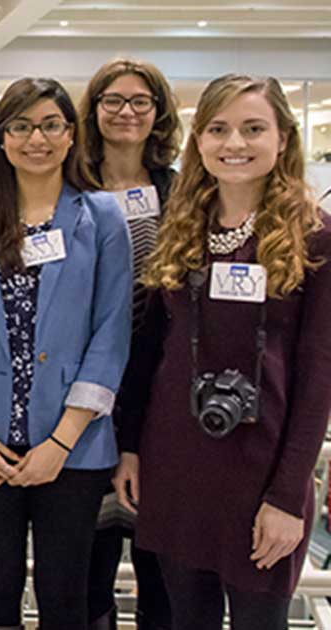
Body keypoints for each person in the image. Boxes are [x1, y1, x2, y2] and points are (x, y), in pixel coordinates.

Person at [125, 74, 331, 629]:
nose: (233, 143)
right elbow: (152, 351)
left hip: (262, 470)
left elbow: (318, 377)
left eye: (252, 128)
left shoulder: (314, 236)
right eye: (217, 129)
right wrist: (130, 448)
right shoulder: (182, 225)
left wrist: (289, 496)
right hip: (177, 465)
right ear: (199, 142)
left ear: (283, 138)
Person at [0, 77, 133, 629]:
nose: (36, 139)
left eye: (51, 124)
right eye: (20, 126)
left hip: (74, 446)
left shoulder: (102, 216)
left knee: (64, 590)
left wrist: (61, 441)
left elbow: (112, 329)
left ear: (72, 135)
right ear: (1, 139)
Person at [76, 57, 182, 630]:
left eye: (140, 101)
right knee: (87, 570)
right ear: (93, 111)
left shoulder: (184, 188)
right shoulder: (71, 187)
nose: (126, 112)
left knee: (159, 569)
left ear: (158, 112)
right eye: (113, 100)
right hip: (87, 388)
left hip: (163, 388)